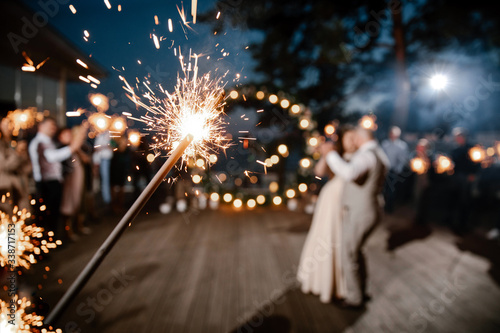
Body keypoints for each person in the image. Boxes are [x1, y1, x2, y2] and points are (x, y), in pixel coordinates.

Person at [324, 126, 389, 308]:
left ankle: (354, 298)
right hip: (370, 209)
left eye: (353, 138)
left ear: (359, 139)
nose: (351, 142)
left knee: (348, 254)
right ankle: (361, 291)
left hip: (361, 212)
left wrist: (330, 154)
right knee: (356, 253)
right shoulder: (378, 153)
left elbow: (349, 172)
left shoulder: (366, 155)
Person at [297, 126, 357, 304]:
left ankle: (337, 286)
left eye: (354, 138)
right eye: (348, 138)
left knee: (336, 238)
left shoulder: (357, 159)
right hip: (329, 200)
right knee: (322, 235)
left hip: (341, 202)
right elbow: (319, 172)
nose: (352, 142)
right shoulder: (337, 156)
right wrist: (325, 154)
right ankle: (318, 281)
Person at [28, 117, 86, 236]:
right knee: (46, 215)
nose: (53, 129)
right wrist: (73, 146)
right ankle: (44, 244)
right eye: (50, 126)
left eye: (54, 126)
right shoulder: (40, 143)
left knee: (52, 214)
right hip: (46, 184)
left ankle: (51, 240)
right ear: (41, 126)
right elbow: (52, 157)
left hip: (52, 183)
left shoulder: (47, 142)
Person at [58, 127, 91, 241]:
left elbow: (86, 159)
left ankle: (78, 226)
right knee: (69, 205)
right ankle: (69, 231)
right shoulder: (64, 148)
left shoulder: (76, 149)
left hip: (79, 180)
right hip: (69, 181)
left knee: (78, 204)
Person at [445, 128, 479, 234]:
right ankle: (451, 220)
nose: (457, 139)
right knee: (453, 198)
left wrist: (473, 174)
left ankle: (462, 224)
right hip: (456, 177)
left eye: (459, 137)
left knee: (464, 201)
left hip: (466, 177)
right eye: (456, 137)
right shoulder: (455, 149)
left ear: (463, 137)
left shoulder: (471, 148)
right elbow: (451, 162)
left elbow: (477, 162)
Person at [0, 117, 31, 212]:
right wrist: (17, 153)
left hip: (20, 186)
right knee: (8, 218)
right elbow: (5, 166)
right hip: (6, 188)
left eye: (11, 124)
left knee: (20, 217)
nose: (9, 127)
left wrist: (22, 152)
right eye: (6, 125)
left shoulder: (15, 143)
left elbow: (27, 168)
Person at [381, 126, 409, 213]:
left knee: (391, 190)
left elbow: (403, 159)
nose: (392, 135)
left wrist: (398, 169)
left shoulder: (402, 146)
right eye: (391, 133)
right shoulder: (385, 144)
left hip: (394, 171)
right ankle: (380, 206)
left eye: (394, 134)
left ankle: (389, 208)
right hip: (384, 170)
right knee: (382, 188)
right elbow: (381, 156)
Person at [93, 130, 113, 207]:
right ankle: (104, 198)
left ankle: (107, 199)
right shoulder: (99, 135)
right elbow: (96, 148)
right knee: (100, 179)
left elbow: (112, 145)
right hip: (99, 159)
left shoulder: (109, 134)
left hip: (105, 159)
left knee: (105, 179)